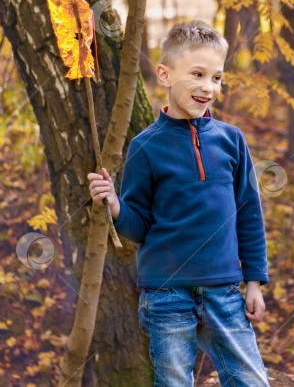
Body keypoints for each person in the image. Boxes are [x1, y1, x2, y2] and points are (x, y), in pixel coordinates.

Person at [87, 20, 271, 386]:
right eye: (198, 74)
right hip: (166, 292)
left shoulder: (231, 141)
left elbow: (249, 214)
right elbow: (138, 224)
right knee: (173, 381)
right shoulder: (145, 146)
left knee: (251, 380)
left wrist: (254, 281)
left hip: (223, 289)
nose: (208, 87)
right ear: (165, 75)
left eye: (217, 77)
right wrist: (114, 204)